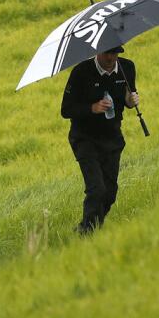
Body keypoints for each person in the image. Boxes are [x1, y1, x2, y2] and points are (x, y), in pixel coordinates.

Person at [60, 46, 139, 234]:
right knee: (97, 189)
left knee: (110, 193)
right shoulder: (81, 72)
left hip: (112, 137)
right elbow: (66, 110)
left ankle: (90, 226)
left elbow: (128, 97)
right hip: (85, 138)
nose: (111, 58)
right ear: (98, 52)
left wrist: (131, 101)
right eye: (107, 53)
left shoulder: (127, 67)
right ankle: (87, 233)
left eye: (115, 53)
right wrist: (92, 108)